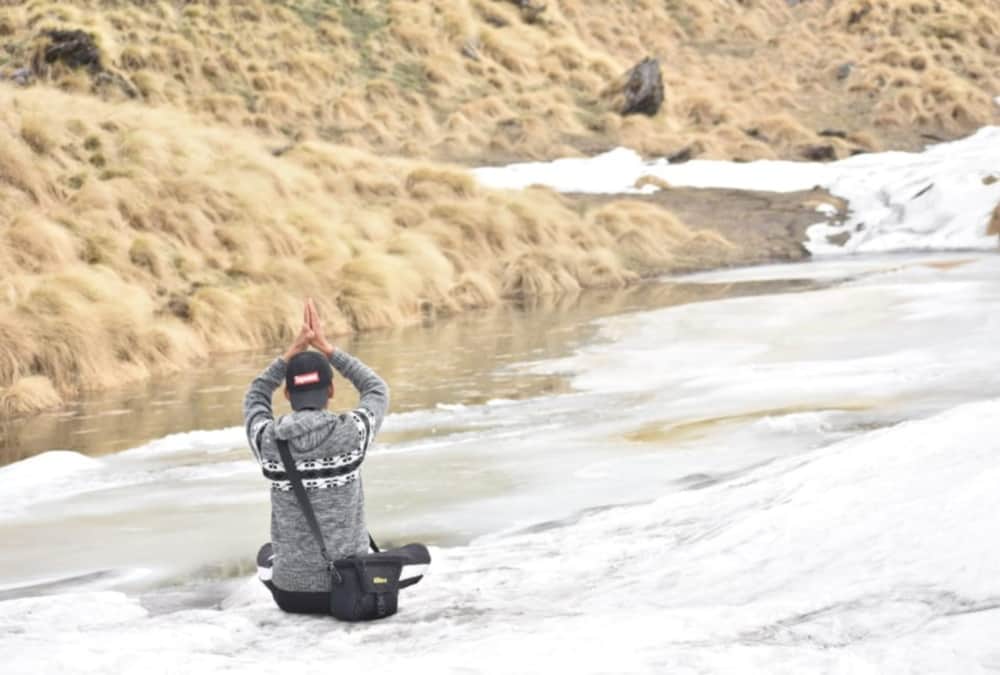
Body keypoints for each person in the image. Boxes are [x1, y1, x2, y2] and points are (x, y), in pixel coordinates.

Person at [244, 298, 389, 613]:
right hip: (350, 588)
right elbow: (376, 390)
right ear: (332, 391)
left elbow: (255, 396)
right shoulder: (351, 433)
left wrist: (288, 356)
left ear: (286, 394)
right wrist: (328, 349)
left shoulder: (269, 441)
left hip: (290, 595)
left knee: (267, 553)